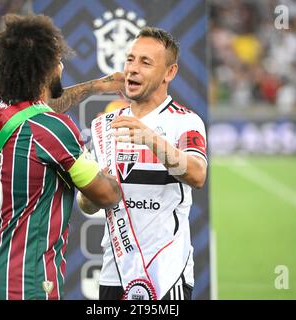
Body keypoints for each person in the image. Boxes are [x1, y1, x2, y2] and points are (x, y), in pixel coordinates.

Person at [0, 14, 122, 300]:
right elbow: (105, 195)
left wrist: (94, 87)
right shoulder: (55, 129)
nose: (62, 65)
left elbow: (39, 108)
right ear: (45, 69)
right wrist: (113, 163)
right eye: (58, 60)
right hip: (27, 279)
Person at [78, 27, 207, 300]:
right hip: (115, 272)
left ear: (169, 73)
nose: (132, 69)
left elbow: (197, 175)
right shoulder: (102, 125)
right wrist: (93, 190)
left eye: (145, 62)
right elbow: (86, 205)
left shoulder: (185, 121)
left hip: (166, 272)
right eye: (130, 59)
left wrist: (151, 140)